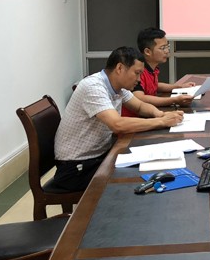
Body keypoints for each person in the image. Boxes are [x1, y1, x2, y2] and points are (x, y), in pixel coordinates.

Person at [54, 47, 184, 192]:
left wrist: (160, 114)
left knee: (146, 167)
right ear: (120, 68)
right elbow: (117, 124)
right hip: (76, 168)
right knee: (137, 177)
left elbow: (140, 106)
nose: (139, 79)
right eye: (137, 73)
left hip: (98, 157)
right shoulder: (93, 87)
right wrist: (161, 122)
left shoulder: (118, 88)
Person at [122, 27, 195, 117]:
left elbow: (154, 85)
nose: (167, 51)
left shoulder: (152, 68)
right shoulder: (138, 71)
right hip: (135, 118)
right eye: (162, 48)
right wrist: (174, 100)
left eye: (167, 47)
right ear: (147, 51)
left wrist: (179, 87)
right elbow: (140, 97)